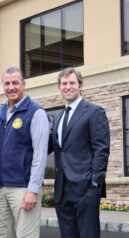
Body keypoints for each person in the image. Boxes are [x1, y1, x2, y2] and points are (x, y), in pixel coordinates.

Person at [49, 68, 110, 238]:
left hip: (86, 188)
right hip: (62, 188)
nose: (68, 87)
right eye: (64, 83)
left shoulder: (94, 111)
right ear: (59, 87)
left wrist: (95, 182)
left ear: (80, 85)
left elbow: (101, 149)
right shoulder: (58, 116)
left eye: (72, 83)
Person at [0, 66, 49, 238]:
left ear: (24, 84)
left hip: (23, 189)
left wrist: (33, 189)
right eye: (7, 83)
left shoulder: (36, 113)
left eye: (15, 83)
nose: (11, 87)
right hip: (0, 188)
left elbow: (40, 154)